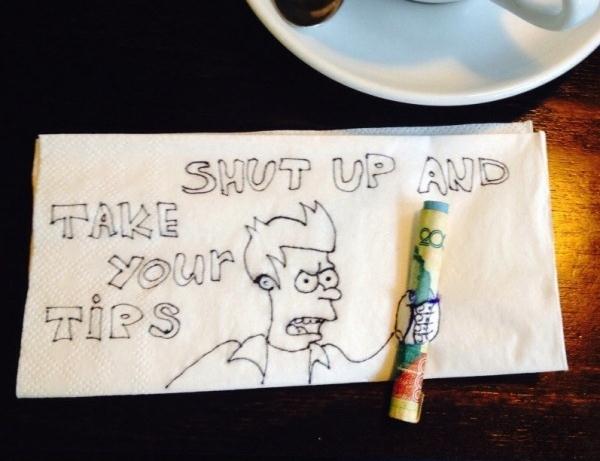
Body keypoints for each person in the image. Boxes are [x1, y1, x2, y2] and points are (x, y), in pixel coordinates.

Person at [166, 201, 439, 390]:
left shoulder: (330, 359)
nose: (329, 292)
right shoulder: (230, 360)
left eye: (328, 278)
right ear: (268, 283)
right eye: (307, 280)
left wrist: (404, 333)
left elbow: (372, 370)